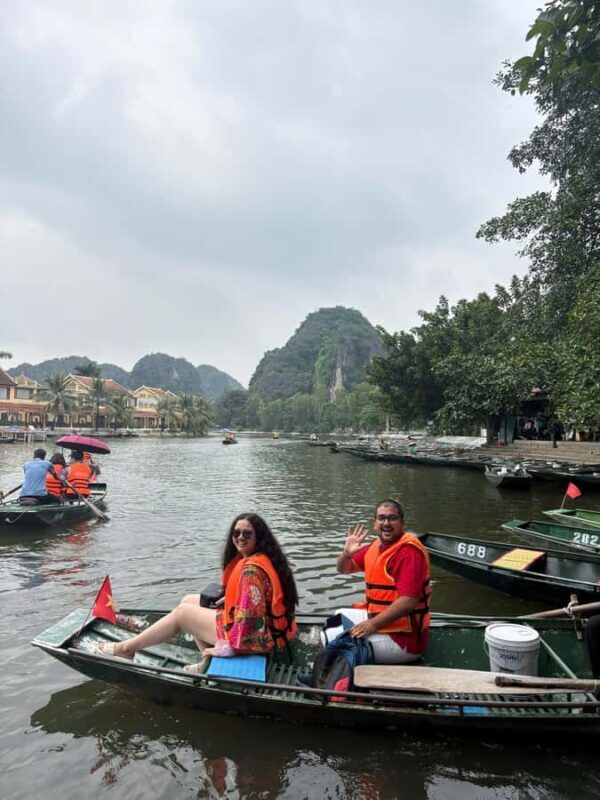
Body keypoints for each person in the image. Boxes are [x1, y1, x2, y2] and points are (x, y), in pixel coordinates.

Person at [95, 513, 298, 669]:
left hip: (255, 638)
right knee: (189, 601)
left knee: (183, 615)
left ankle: (126, 649)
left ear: (258, 537)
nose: (240, 538)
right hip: (266, 629)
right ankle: (204, 663)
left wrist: (231, 648)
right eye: (236, 533)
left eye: (247, 533)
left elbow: (249, 618)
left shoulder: (251, 570)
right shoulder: (262, 558)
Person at [335, 499, 431, 664]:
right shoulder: (376, 546)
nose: (386, 523)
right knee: (337, 618)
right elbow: (343, 569)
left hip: (404, 640)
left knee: (339, 642)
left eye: (392, 518)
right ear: (375, 523)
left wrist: (372, 624)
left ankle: (331, 682)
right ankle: (324, 673)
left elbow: (408, 602)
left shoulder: (408, 552)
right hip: (384, 624)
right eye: (381, 518)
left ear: (402, 523)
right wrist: (346, 554)